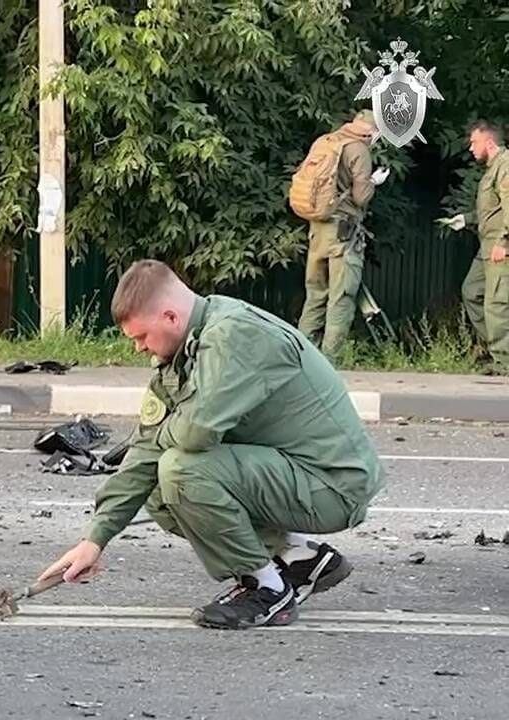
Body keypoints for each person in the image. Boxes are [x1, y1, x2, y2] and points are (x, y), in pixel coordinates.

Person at [38, 260, 384, 630]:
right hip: (293, 472)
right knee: (156, 483)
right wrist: (95, 540)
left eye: (142, 337)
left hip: (332, 485)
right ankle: (297, 557)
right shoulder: (185, 350)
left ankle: (266, 589)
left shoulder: (234, 336)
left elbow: (194, 434)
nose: (139, 348)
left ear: (170, 317)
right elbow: (144, 451)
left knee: (181, 469)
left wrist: (161, 437)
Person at [294, 109, 390, 359]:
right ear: (373, 131)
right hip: (343, 234)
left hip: (317, 230)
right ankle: (329, 363)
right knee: (342, 297)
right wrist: (373, 182)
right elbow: (361, 197)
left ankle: (302, 358)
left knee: (315, 295)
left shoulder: (326, 142)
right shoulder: (359, 149)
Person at [438, 120, 509, 375]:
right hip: (487, 245)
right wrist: (466, 219)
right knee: (472, 291)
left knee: (497, 303)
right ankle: (496, 349)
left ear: (489, 143)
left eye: (474, 142)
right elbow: (493, 210)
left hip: (500, 246)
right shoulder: (492, 168)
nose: (470, 147)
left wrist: (505, 242)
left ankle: (504, 363)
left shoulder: (505, 166)